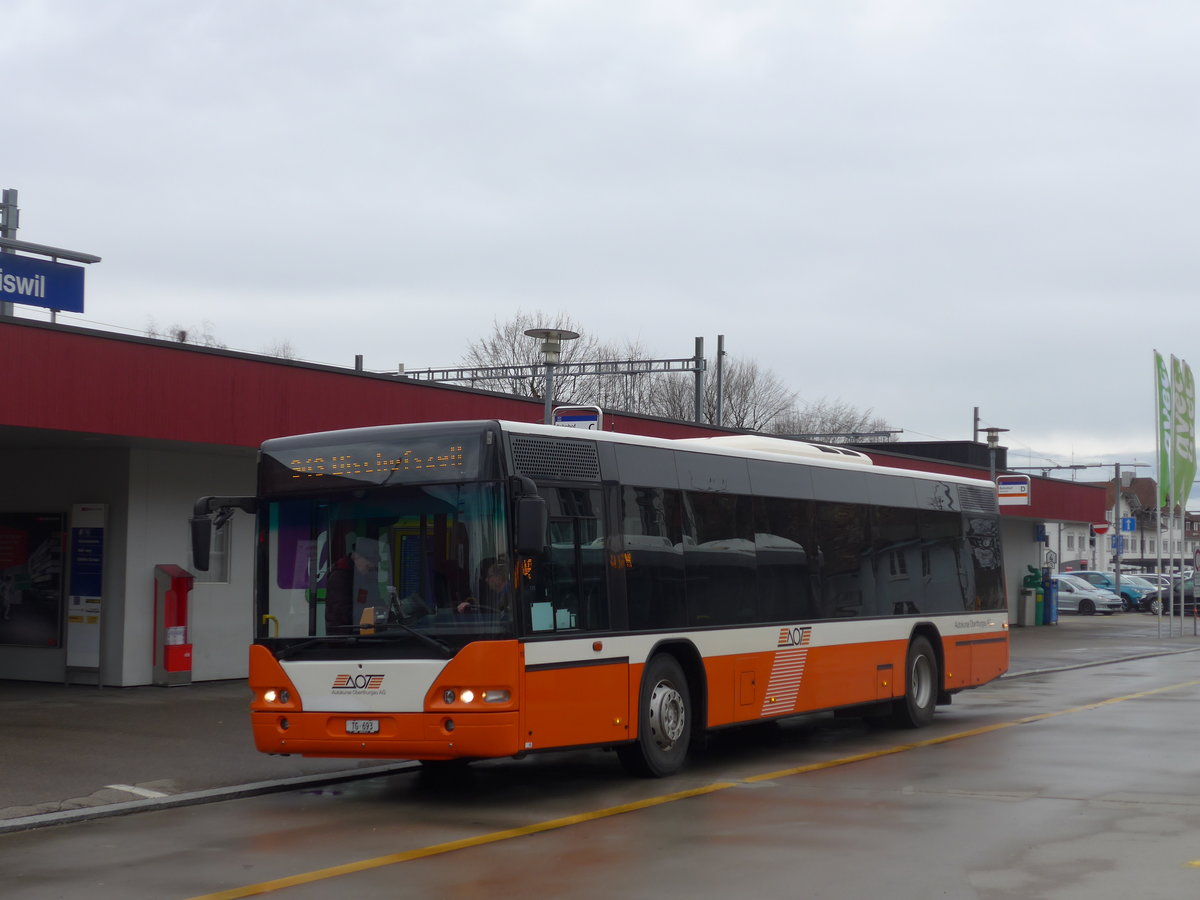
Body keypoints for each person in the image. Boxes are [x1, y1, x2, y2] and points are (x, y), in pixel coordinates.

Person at [325, 537, 381, 632]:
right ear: (356, 557)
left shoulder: (364, 576)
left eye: (374, 562)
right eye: (370, 561)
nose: (372, 565)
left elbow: (372, 601)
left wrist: (384, 612)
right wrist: (375, 614)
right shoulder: (340, 577)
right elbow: (342, 613)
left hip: (362, 633)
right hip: (346, 637)